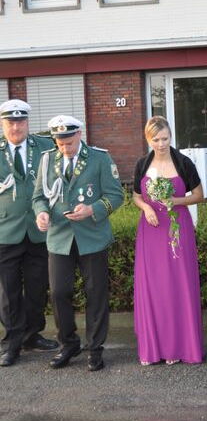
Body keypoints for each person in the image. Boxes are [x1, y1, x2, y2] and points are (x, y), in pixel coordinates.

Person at [33, 115, 124, 371]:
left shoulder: (99, 158)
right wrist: (41, 213)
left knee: (95, 293)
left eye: (69, 143)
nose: (65, 148)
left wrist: (92, 209)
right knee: (59, 292)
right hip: (59, 237)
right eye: (60, 143)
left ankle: (95, 348)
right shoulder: (47, 159)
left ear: (79, 135)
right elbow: (39, 197)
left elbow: (116, 195)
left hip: (92, 237)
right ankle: (68, 343)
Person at [133, 116, 204, 366]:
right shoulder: (142, 164)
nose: (161, 144)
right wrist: (146, 208)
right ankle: (154, 349)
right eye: (156, 139)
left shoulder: (183, 162)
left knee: (177, 284)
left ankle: (178, 346)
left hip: (177, 228)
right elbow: (135, 196)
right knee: (153, 286)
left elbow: (199, 195)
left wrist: (176, 201)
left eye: (165, 138)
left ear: (171, 136)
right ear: (148, 139)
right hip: (151, 230)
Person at [0, 99, 58, 367]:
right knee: (8, 292)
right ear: (3, 124)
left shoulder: (45, 147)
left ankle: (32, 335)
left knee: (37, 288)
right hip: (5, 231)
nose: (16, 127)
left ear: (27, 122)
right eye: (10, 122)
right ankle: (12, 343)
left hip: (38, 230)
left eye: (20, 121)